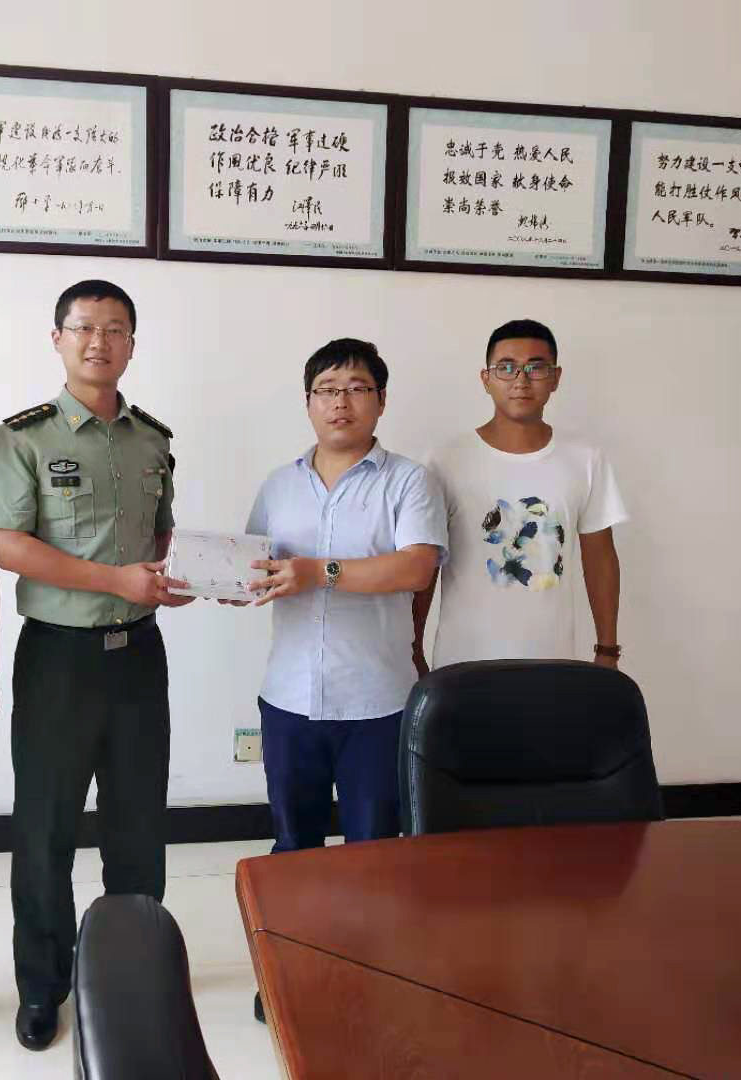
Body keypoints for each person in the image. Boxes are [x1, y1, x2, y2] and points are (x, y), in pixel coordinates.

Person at [0, 279, 194, 1051]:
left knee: (138, 826)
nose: (99, 341)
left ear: (132, 342)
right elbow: (9, 545)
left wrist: (173, 579)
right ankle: (44, 987)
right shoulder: (24, 437)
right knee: (46, 830)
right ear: (58, 339)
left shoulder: (152, 439)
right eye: (83, 328)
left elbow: (160, 537)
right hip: (58, 659)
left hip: (139, 655)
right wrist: (114, 581)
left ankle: (131, 974)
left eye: (115, 329)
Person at [233, 337, 446, 1023]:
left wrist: (319, 571)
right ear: (308, 403)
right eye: (327, 389)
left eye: (357, 388)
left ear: (380, 401)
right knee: (293, 848)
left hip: (376, 702)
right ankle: (288, 972)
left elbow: (416, 566)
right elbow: (253, 565)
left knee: (372, 851)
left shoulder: (409, 481)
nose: (341, 402)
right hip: (289, 698)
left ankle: (369, 973)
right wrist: (215, 580)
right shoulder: (279, 484)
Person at [413, 318, 627, 676]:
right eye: (506, 367)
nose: (521, 380)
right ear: (486, 379)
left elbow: (600, 558)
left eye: (536, 368)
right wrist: (412, 646)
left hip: (552, 664)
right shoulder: (445, 459)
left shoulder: (585, 459)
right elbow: (424, 562)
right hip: (462, 665)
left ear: (555, 378)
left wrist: (607, 649)